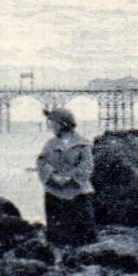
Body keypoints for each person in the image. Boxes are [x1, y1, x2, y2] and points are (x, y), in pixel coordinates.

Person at [36, 107, 98, 254]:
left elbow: (87, 166)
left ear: (62, 124)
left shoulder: (83, 144)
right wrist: (53, 177)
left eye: (53, 123)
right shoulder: (50, 144)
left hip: (79, 192)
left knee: (83, 237)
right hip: (54, 191)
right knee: (57, 237)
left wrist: (71, 178)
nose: (51, 126)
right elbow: (42, 163)